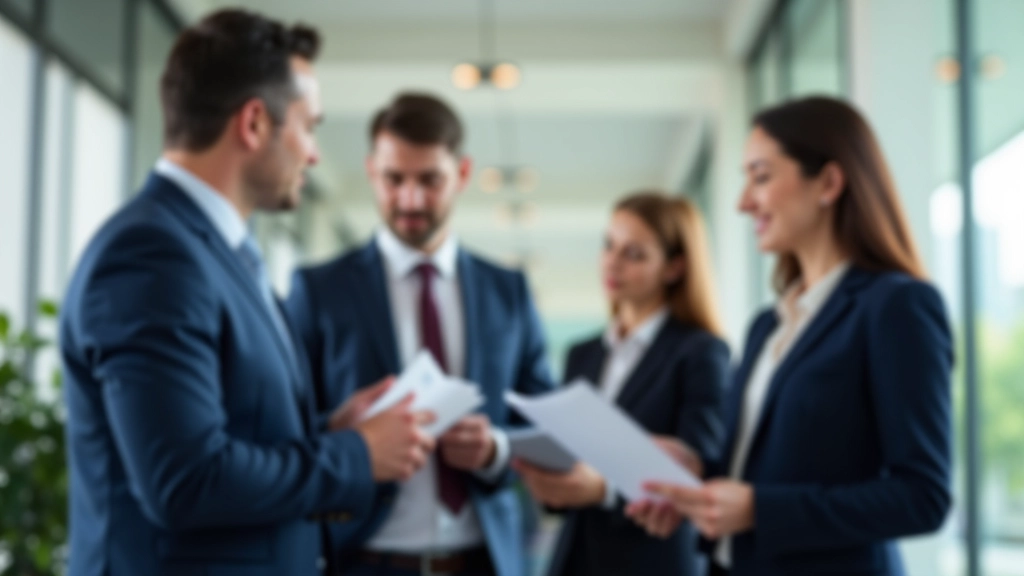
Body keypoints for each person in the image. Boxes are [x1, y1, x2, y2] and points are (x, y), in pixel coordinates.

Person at [60, 11, 434, 576]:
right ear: (254, 123)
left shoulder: (217, 251)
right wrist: (356, 454)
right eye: (308, 127)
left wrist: (330, 434)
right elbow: (185, 481)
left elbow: (225, 433)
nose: (314, 154)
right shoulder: (151, 257)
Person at [626, 96, 953, 576]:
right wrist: (696, 473)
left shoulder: (896, 307)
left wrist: (760, 510)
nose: (743, 202)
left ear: (829, 183)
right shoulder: (768, 324)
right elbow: (767, 468)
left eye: (760, 177)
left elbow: (923, 496)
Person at [285, 92, 556, 576]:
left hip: (483, 561)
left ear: (463, 173)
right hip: (362, 561)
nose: (410, 199)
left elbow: (547, 425)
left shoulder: (508, 291)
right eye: (394, 179)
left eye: (430, 180)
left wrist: (496, 448)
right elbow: (287, 428)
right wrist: (351, 439)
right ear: (371, 171)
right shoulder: (319, 291)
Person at [514, 192, 729, 576]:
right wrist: (551, 484)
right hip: (576, 559)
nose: (612, 262)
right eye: (609, 246)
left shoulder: (701, 353)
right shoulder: (582, 354)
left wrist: (603, 488)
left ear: (674, 267)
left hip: (652, 562)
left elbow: (700, 466)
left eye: (635, 254)